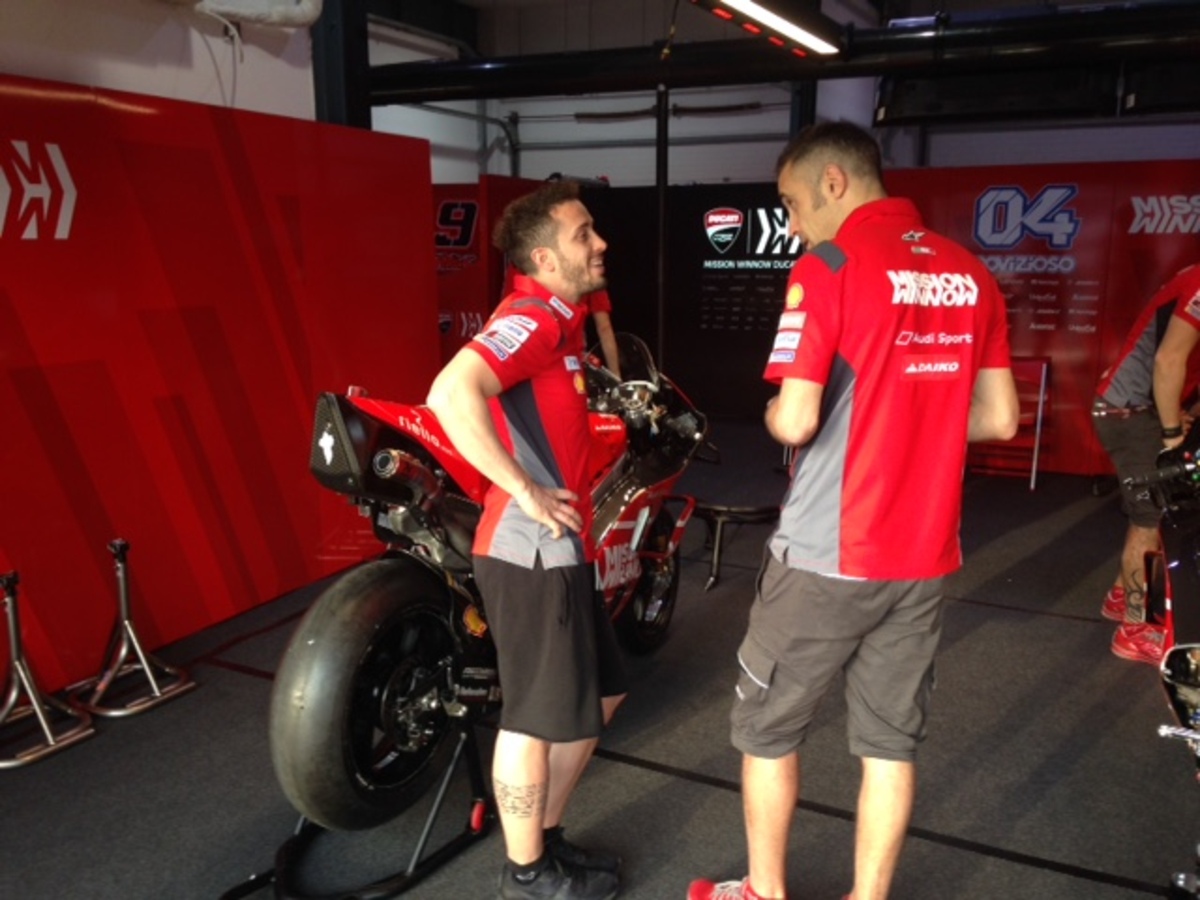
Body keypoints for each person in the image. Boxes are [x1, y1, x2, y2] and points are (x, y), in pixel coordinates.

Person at [686, 121, 1019, 900]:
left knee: (766, 731)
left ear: (833, 181)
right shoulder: (971, 273)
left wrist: (774, 413)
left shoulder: (828, 266)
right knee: (889, 746)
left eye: (791, 203)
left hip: (828, 551)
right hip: (924, 555)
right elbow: (1001, 419)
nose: (792, 224)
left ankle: (764, 893)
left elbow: (796, 420)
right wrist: (916, 415)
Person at [426, 180, 627, 900]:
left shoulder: (563, 322)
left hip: (563, 548)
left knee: (604, 694)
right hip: (528, 549)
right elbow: (451, 392)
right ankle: (525, 873)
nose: (600, 243)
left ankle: (543, 838)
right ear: (544, 257)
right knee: (534, 721)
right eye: (583, 234)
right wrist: (524, 488)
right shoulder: (533, 315)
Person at [1093, 262, 1200, 665]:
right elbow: (1168, 361)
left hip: (1139, 410)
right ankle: (1134, 631)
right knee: (1150, 518)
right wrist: (1171, 435)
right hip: (1129, 412)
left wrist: (1179, 415)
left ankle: (1121, 596)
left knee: (1149, 511)